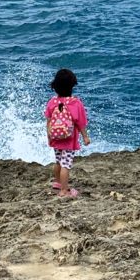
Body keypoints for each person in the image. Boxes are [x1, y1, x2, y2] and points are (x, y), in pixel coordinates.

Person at [45, 68, 90, 199]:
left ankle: (58, 183)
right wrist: (85, 137)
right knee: (66, 164)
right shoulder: (76, 103)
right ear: (72, 86)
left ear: (55, 86)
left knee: (58, 161)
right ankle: (64, 191)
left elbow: (48, 121)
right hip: (69, 140)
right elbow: (81, 123)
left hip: (55, 137)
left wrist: (49, 136)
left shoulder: (52, 102)